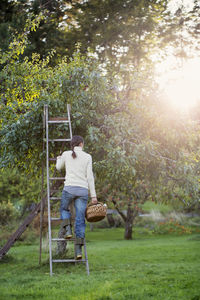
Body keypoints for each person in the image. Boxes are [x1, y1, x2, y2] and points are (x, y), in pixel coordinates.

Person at [56, 135, 97, 259]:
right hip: (83, 191)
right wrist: (93, 196)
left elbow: (58, 168)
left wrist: (59, 159)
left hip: (69, 189)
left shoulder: (66, 154)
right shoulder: (88, 157)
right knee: (80, 220)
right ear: (81, 144)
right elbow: (90, 177)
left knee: (64, 209)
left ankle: (68, 229)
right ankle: (78, 251)